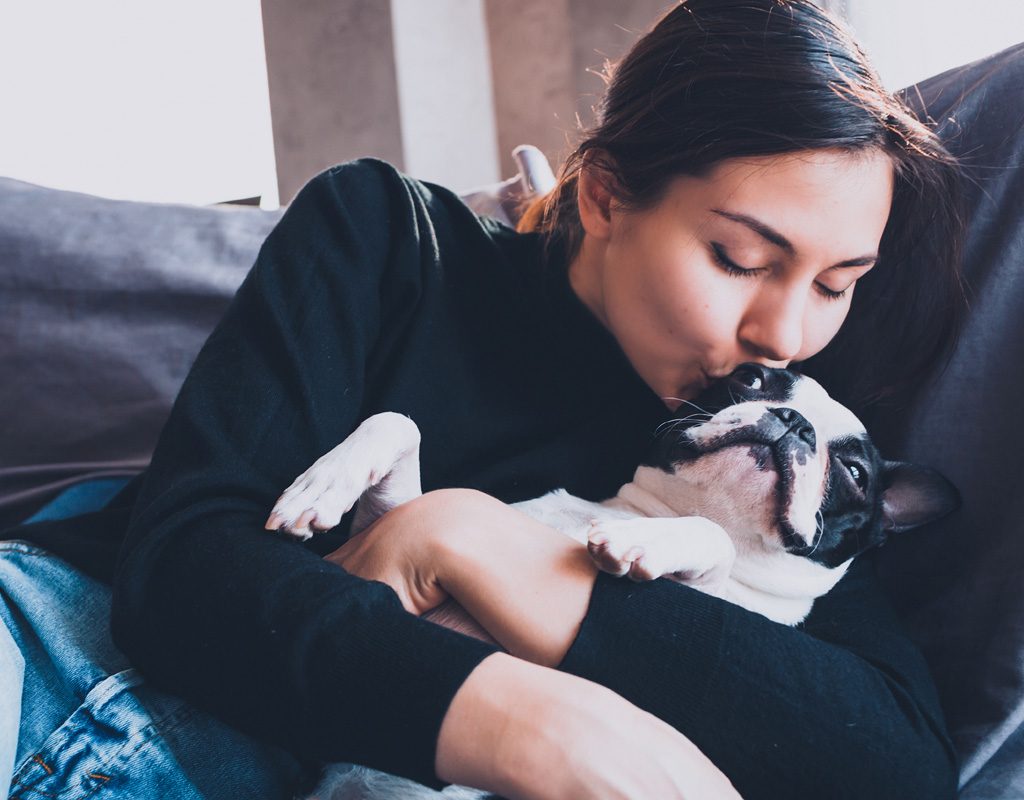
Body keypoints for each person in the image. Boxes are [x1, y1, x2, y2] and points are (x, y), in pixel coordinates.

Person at [1, 1, 967, 798]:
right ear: (607, 196)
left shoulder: (762, 443)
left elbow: (895, 760)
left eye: (837, 285)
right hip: (55, 654)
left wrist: (473, 545)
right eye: (740, 259)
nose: (786, 339)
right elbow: (184, 569)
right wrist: (521, 716)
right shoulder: (386, 239)